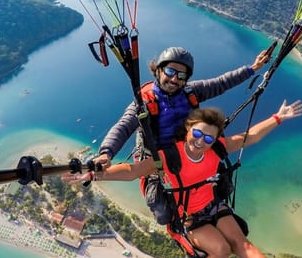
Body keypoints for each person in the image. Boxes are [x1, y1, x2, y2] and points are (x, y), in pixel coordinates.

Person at [82, 101, 302, 258]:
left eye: (208, 138)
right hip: (189, 218)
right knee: (222, 250)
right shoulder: (169, 157)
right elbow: (132, 170)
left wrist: (278, 117)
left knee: (243, 244)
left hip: (214, 205)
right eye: (197, 134)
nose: (201, 141)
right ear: (188, 129)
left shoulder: (216, 150)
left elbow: (250, 137)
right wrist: (95, 174)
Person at [95, 45, 272, 167]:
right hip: (160, 159)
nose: (174, 79)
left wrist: (253, 68)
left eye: (181, 76)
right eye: (170, 71)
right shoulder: (145, 101)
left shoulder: (190, 91)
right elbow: (124, 126)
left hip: (191, 151)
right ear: (158, 70)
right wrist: (106, 153)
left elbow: (222, 82)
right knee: (164, 212)